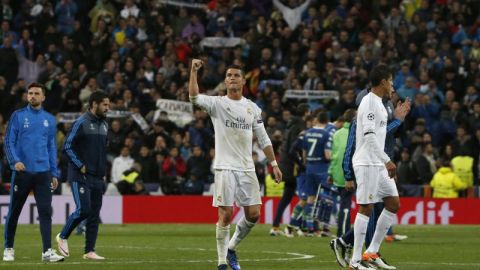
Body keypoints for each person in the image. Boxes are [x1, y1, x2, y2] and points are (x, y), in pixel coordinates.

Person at [188, 59, 282, 270]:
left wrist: (274, 163)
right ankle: (221, 262)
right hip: (225, 167)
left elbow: (264, 138)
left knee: (254, 214)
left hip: (247, 167)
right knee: (226, 213)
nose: (232, 78)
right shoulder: (217, 104)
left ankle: (231, 247)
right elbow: (193, 97)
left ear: (243, 81)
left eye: (236, 75)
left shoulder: (252, 108)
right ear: (225, 81)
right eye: (229, 75)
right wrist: (193, 72)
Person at [3, 83, 65, 262]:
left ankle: (47, 252)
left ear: (43, 97)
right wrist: (15, 161)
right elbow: (9, 141)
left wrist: (54, 173)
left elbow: (51, 147)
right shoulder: (18, 116)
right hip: (22, 173)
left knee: (45, 212)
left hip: (43, 173)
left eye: (36, 93)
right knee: (14, 211)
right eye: (30, 93)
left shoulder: (50, 120)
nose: (32, 96)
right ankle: (8, 248)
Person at [349, 65, 401, 269]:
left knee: (393, 203)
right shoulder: (369, 102)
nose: (392, 85)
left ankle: (371, 252)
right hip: (367, 161)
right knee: (366, 207)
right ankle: (355, 261)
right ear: (383, 82)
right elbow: (369, 136)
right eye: (391, 81)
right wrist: (387, 159)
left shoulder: (379, 103)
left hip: (377, 162)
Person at [56, 91, 110, 260]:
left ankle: (89, 251)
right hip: (80, 175)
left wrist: (103, 172)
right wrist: (80, 165)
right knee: (84, 209)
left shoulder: (104, 125)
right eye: (105, 105)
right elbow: (67, 146)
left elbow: (101, 151)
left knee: (94, 215)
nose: (107, 108)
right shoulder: (81, 122)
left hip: (97, 176)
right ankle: (62, 236)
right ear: (94, 104)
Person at [270, 103, 310, 236]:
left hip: (286, 164)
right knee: (306, 196)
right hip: (293, 167)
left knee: (287, 197)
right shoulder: (299, 127)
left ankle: (276, 226)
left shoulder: (290, 125)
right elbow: (294, 148)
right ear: (305, 112)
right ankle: (299, 226)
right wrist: (301, 164)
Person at [328, 109, 356, 238]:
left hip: (338, 174)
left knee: (344, 203)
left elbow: (334, 155)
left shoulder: (337, 134)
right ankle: (344, 233)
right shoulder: (356, 132)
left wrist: (330, 173)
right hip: (352, 173)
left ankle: (342, 231)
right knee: (347, 204)